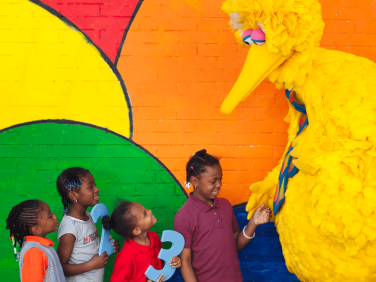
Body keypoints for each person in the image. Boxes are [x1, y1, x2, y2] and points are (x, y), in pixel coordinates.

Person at [174, 149, 272, 282]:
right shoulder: (184, 216)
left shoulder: (225, 205)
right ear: (195, 181)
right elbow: (185, 263)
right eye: (213, 181)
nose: (219, 185)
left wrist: (253, 223)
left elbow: (237, 244)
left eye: (220, 180)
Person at [56, 167, 119, 282]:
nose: (97, 189)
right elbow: (60, 267)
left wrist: (106, 246)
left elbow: (89, 249)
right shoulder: (70, 228)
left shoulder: (89, 216)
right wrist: (90, 265)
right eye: (91, 187)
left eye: (95, 185)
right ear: (74, 195)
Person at [103, 200, 181, 282]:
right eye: (145, 214)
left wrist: (173, 262)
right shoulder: (126, 257)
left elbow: (161, 262)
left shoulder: (154, 236)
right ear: (136, 230)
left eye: (146, 209)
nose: (150, 211)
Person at [6, 199, 66, 282]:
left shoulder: (42, 246)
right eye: (50, 216)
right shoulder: (34, 252)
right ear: (36, 229)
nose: (55, 216)